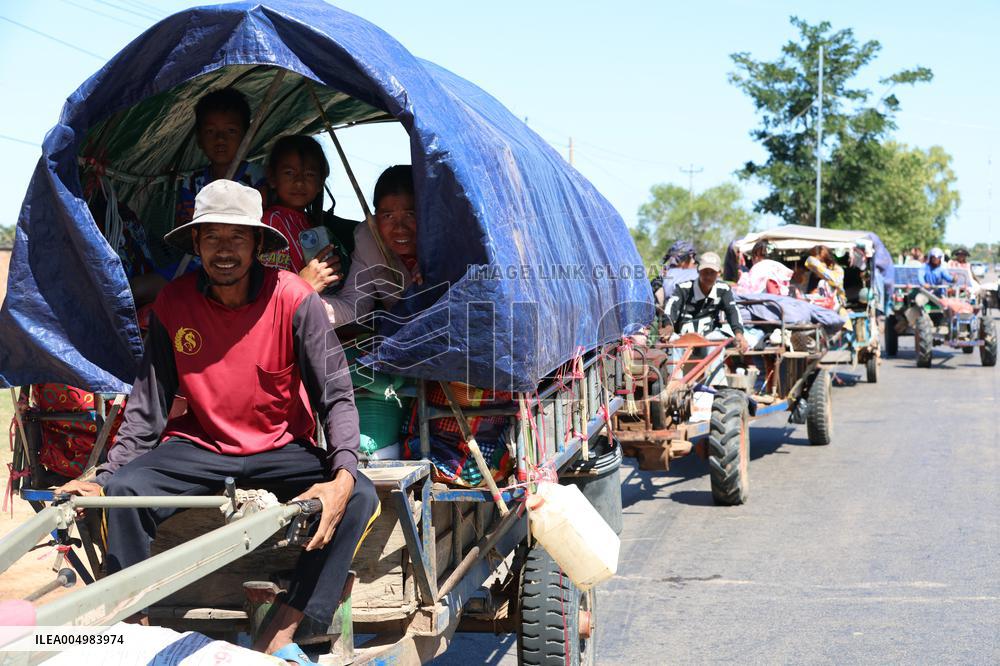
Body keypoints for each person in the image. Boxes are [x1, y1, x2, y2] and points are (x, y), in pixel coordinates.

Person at [56, 180, 379, 663]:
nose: (224, 250)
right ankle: (135, 625)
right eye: (211, 237)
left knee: (358, 497)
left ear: (257, 245)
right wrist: (105, 476)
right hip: (200, 446)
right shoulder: (174, 303)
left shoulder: (294, 299)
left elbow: (336, 396)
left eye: (237, 237)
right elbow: (148, 405)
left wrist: (342, 473)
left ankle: (282, 628)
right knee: (124, 492)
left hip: (280, 449)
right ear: (196, 244)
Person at [324, 165, 422, 325]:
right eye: (388, 216)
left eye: (410, 214)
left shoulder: (451, 239)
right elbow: (354, 305)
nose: (400, 228)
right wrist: (306, 303)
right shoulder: (368, 239)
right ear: (376, 218)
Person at [258, 135, 349, 294]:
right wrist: (304, 285)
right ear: (272, 178)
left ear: (321, 182)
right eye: (289, 173)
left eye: (309, 174)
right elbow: (268, 286)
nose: (299, 182)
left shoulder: (313, 224)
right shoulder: (270, 222)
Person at [175, 88, 268, 227]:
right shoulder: (192, 185)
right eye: (210, 131)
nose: (220, 139)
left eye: (231, 131)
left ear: (247, 137)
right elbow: (186, 231)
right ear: (199, 139)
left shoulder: (260, 179)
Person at [662, 252, 748, 387]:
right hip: (684, 337)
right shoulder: (683, 288)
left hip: (708, 337)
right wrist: (668, 326)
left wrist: (739, 334)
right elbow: (671, 307)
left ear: (719, 273)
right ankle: (674, 385)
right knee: (673, 342)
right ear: (698, 271)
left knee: (717, 343)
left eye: (712, 272)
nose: (708, 276)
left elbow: (732, 311)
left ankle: (715, 386)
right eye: (705, 272)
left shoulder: (723, 289)